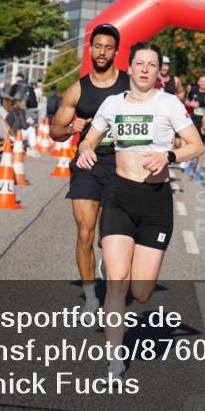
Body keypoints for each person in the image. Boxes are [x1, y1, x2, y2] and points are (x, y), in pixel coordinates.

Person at [76, 41, 203, 381]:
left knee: (141, 292)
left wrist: (169, 157)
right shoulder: (112, 103)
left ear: (159, 71)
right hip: (119, 196)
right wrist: (85, 149)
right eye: (140, 63)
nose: (145, 69)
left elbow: (196, 145)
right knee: (117, 282)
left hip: (155, 201)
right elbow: (90, 137)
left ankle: (121, 274)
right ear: (129, 68)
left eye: (152, 64)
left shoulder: (169, 104)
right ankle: (114, 362)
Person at [51, 24, 130, 314]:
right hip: (87, 166)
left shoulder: (128, 87)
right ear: (91, 48)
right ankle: (91, 298)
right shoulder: (78, 89)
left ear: (116, 52)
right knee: (85, 234)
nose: (102, 52)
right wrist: (72, 127)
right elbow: (54, 130)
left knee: (107, 237)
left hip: (121, 167)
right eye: (98, 46)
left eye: (108, 47)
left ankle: (108, 264)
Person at [184, 74, 205, 180]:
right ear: (198, 82)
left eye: (204, 81)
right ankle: (190, 165)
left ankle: (197, 169)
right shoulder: (194, 91)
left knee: (201, 147)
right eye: (201, 81)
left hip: (204, 123)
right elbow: (186, 101)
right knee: (192, 144)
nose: (202, 83)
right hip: (194, 121)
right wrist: (190, 104)